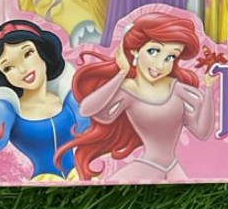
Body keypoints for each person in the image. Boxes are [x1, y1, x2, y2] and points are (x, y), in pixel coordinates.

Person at [57, 11, 212, 181]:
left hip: (174, 167)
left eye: (170, 57)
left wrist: (210, 89)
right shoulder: (128, 90)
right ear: (136, 50)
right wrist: (122, 72)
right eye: (153, 51)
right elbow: (87, 109)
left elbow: (202, 132)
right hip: (147, 166)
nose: (160, 65)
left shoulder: (178, 89)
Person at [0, 21, 87, 183]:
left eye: (27, 54)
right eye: (8, 68)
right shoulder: (3, 111)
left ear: (43, 51)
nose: (23, 69)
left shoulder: (70, 99)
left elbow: (102, 142)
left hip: (84, 180)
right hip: (42, 185)